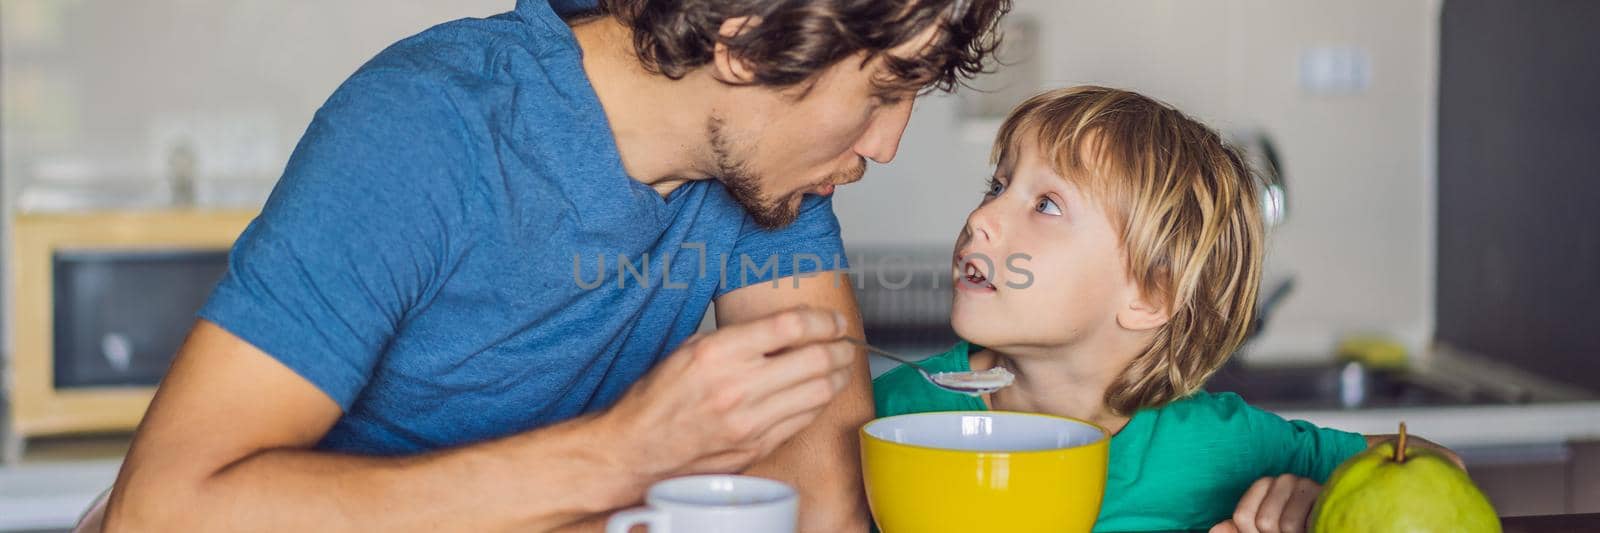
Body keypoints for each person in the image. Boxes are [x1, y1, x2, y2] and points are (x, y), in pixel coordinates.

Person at [104, 0, 1008, 531]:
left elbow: (819, 496)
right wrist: (620, 457)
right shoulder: (429, 127)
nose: (886, 145)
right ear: (744, 42)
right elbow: (166, 507)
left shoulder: (772, 179)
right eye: (884, 91)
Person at [871, 86, 1460, 533]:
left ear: (1151, 295)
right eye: (997, 187)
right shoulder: (894, 410)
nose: (981, 218)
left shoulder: (1222, 449)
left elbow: (1440, 468)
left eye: (1046, 204)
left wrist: (1321, 502)